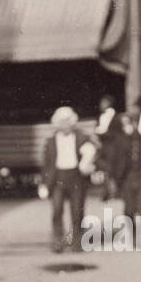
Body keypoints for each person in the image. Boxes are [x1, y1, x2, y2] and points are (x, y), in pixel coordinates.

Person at [39, 106, 96, 252]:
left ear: (73, 122)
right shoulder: (51, 141)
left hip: (76, 176)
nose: (65, 125)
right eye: (62, 122)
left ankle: (78, 242)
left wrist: (88, 159)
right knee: (57, 210)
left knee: (77, 211)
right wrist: (44, 185)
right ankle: (58, 242)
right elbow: (46, 165)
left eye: (68, 121)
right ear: (57, 124)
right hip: (57, 177)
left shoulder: (82, 137)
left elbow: (94, 151)